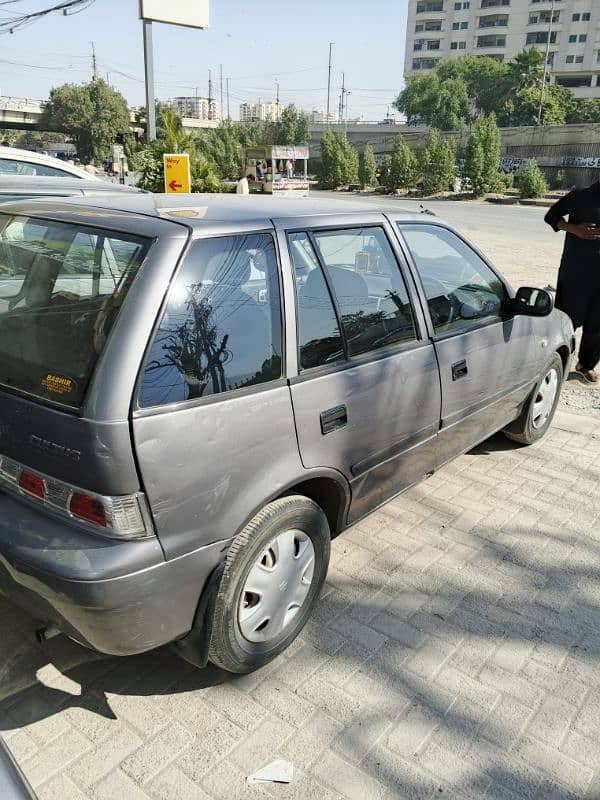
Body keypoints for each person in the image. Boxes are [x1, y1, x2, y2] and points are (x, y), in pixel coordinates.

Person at [544, 178, 600, 383]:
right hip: (576, 273)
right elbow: (550, 216)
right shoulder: (579, 197)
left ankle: (586, 365)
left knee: (597, 324)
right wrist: (574, 229)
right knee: (567, 319)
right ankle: (557, 360)